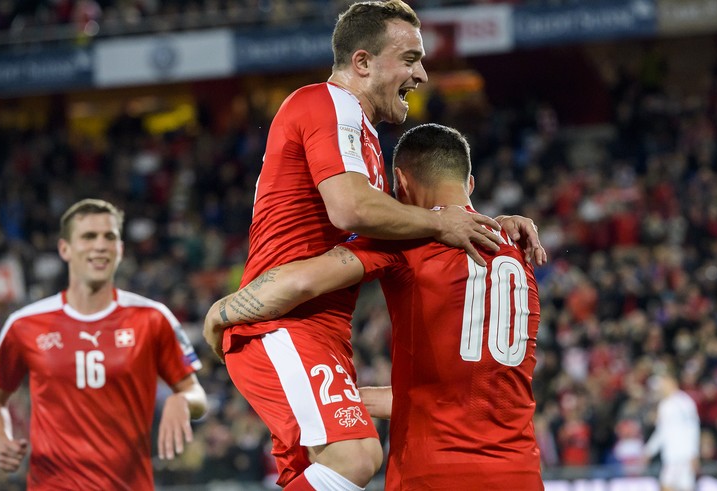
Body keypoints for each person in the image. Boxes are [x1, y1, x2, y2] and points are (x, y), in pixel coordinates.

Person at [221, 1, 544, 490]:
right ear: (363, 62)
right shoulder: (328, 104)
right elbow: (349, 211)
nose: (423, 74)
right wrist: (223, 313)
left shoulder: (367, 141)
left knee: (316, 472)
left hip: (323, 331)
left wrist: (463, 222)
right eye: (411, 58)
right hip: (284, 319)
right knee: (356, 456)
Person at [0, 199, 207, 491]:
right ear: (65, 249)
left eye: (109, 237)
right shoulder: (24, 324)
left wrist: (183, 400)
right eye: (88, 236)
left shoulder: (152, 317)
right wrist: (2, 441)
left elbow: (196, 394)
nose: (100, 245)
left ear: (120, 249)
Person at [644, 369, 701, 491]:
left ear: (672, 382)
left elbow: (693, 428)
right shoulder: (665, 404)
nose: (661, 387)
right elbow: (662, 432)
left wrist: (693, 454)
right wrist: (648, 451)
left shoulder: (684, 403)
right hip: (671, 456)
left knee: (671, 487)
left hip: (682, 456)